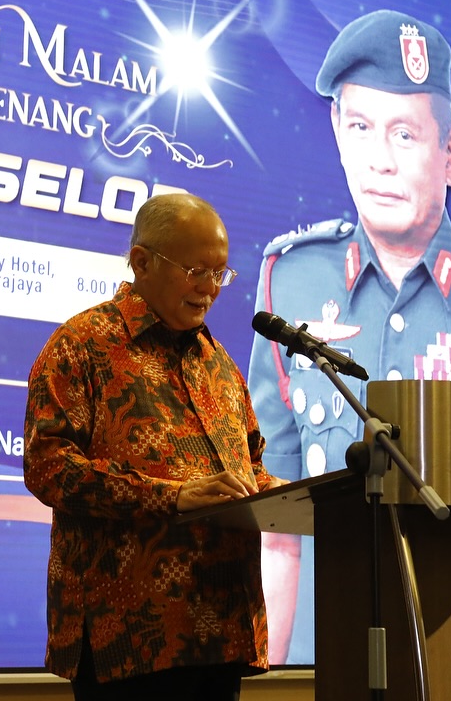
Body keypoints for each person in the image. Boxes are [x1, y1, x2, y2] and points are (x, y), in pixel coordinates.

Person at [247, 9, 451, 666]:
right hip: (327, 673)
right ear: (337, 134)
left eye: (404, 134)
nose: (379, 161)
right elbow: (277, 538)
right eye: (360, 128)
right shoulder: (289, 285)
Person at [23, 192, 280, 701]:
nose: (210, 288)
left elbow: (249, 470)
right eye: (196, 271)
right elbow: (48, 467)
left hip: (220, 632)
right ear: (142, 262)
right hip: (129, 642)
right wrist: (172, 496)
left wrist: (292, 496)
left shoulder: (221, 366)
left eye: (220, 274)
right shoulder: (82, 345)